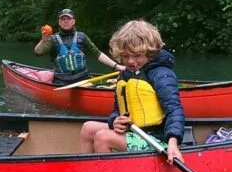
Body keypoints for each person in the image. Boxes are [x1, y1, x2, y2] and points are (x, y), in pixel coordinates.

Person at [79, 20, 185, 164]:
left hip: (158, 140)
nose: (130, 61)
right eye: (125, 56)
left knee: (103, 137)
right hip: (135, 131)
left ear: (150, 52)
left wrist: (173, 143)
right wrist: (115, 121)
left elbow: (175, 110)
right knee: (88, 127)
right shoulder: (126, 74)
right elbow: (117, 110)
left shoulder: (161, 74)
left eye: (136, 55)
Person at [34, 8, 121, 85]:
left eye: (69, 18)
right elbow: (38, 52)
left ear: (73, 21)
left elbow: (98, 54)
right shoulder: (52, 39)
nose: (66, 21)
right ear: (59, 23)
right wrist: (43, 40)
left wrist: (116, 66)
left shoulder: (82, 36)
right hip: (61, 81)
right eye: (63, 19)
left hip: (82, 78)